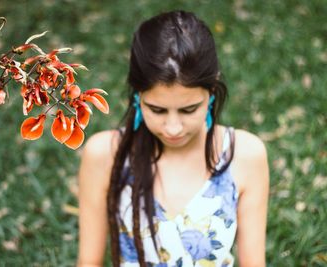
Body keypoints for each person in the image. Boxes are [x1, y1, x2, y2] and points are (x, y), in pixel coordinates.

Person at [77, 10, 269, 267]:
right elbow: (89, 262)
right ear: (137, 97)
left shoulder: (244, 155)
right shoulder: (105, 155)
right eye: (157, 110)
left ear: (211, 93)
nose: (173, 128)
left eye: (189, 110)